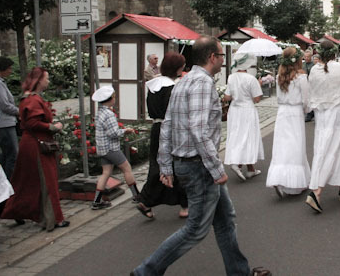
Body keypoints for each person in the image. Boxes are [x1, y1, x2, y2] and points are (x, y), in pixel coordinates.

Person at [132, 36, 270, 276]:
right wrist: (217, 170)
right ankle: (146, 271)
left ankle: (240, 271)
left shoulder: (183, 82)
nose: (222, 60)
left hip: (192, 163)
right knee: (195, 229)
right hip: (198, 166)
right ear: (211, 57)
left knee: (225, 220)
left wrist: (165, 165)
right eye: (220, 55)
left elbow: (168, 125)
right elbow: (198, 130)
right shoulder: (203, 84)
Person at [1, 67, 69, 231]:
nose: (48, 81)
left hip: (34, 143)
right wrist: (53, 127)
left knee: (31, 181)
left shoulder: (32, 98)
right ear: (38, 80)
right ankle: (53, 219)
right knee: (47, 181)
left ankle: (19, 210)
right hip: (36, 145)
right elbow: (32, 123)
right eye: (46, 78)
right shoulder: (32, 100)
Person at [136, 52, 188, 220]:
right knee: (177, 164)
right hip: (170, 128)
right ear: (177, 68)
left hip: (156, 127)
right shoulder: (172, 88)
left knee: (157, 165)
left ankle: (146, 201)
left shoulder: (154, 85)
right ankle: (184, 205)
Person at [305, 40, 340, 213]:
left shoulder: (313, 71)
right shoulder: (339, 68)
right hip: (337, 114)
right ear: (334, 53)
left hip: (321, 115)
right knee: (334, 148)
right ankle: (316, 192)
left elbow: (311, 95)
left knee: (325, 147)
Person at [266, 47, 311, 197]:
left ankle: (279, 178)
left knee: (281, 147)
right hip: (295, 112)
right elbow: (306, 100)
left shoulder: (280, 76)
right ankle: (295, 185)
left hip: (282, 113)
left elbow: (278, 97)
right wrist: (307, 110)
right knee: (296, 147)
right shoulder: (301, 77)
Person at [91, 86, 141, 210]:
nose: (115, 99)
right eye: (114, 97)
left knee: (106, 173)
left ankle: (96, 201)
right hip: (111, 148)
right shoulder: (109, 114)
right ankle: (136, 195)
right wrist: (126, 131)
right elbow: (113, 133)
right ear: (110, 99)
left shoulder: (100, 112)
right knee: (127, 168)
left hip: (102, 148)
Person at [223, 53, 264, 181]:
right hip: (247, 110)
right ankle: (238, 163)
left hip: (235, 110)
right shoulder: (251, 79)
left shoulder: (231, 77)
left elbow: (227, 97)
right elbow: (257, 99)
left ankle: (250, 169)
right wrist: (259, 84)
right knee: (248, 137)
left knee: (237, 136)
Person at [0, 57, 19, 179]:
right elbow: (4, 104)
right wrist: (19, 112)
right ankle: (9, 182)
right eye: (9, 68)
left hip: (5, 122)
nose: (11, 71)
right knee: (11, 154)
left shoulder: (1, 82)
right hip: (4, 124)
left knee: (6, 154)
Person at [302, 50, 315, 122]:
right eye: (305, 57)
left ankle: (310, 113)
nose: (306, 58)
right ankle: (308, 112)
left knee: (311, 99)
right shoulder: (302, 64)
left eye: (308, 57)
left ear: (311, 57)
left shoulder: (313, 65)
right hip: (304, 84)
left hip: (311, 84)